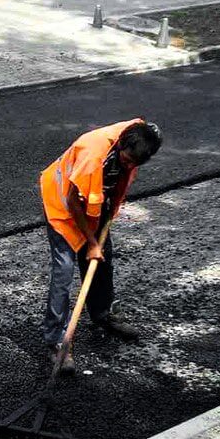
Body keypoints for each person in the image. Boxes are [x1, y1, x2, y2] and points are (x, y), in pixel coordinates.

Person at [39, 119, 163, 373]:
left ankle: (102, 313)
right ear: (120, 145)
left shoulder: (139, 137)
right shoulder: (92, 154)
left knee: (102, 261)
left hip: (93, 206)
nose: (129, 166)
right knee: (63, 272)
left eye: (134, 164)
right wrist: (92, 242)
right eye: (126, 160)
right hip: (62, 205)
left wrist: (97, 243)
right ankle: (56, 341)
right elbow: (72, 202)